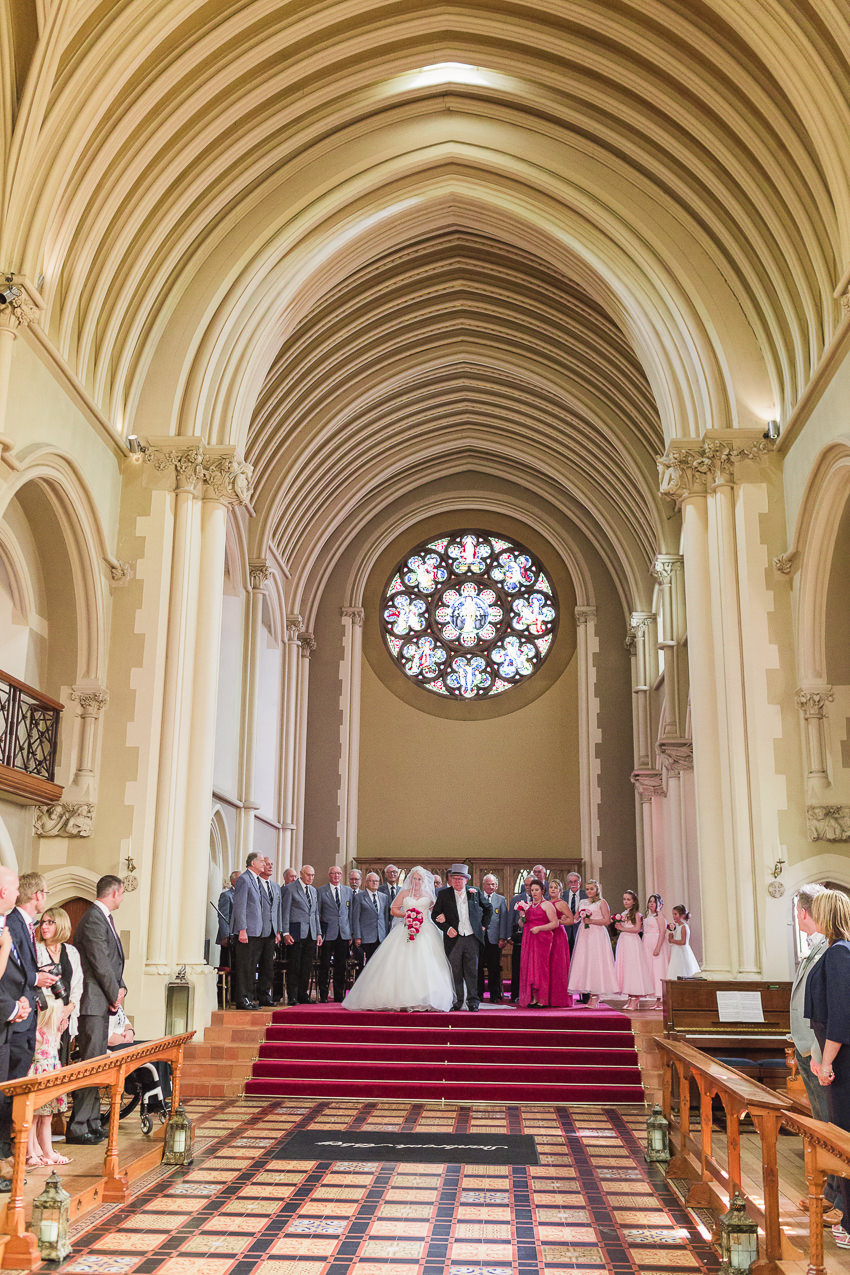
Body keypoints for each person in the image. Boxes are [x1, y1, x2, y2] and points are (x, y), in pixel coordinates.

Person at [791, 885, 842, 1223]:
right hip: (809, 1047)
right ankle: (829, 1194)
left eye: (798, 910)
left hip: (819, 1051)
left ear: (806, 912)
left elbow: (829, 1007)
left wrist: (817, 1051)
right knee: (823, 1123)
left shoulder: (832, 950)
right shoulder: (817, 947)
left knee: (830, 1124)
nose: (797, 916)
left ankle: (838, 1198)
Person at [805, 888, 850, 1249]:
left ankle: (849, 1224)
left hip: (844, 1065)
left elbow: (840, 1017)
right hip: (838, 1059)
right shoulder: (839, 951)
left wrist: (827, 1063)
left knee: (845, 1140)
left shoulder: (838, 954)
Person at [67, 875, 126, 1145]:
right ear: (114, 893)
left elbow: (113, 962)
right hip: (92, 1002)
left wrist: (121, 988)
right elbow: (99, 961)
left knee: (97, 1064)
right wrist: (114, 992)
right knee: (90, 1065)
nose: (122, 899)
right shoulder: (93, 918)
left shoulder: (104, 918)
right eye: (122, 894)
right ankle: (78, 1125)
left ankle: (91, 1121)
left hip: (102, 1000)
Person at [344, 867, 455, 1011]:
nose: (416, 881)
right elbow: (393, 909)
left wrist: (442, 916)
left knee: (426, 964)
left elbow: (436, 911)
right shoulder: (403, 893)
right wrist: (406, 915)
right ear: (410, 879)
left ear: (424, 881)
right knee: (401, 963)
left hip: (426, 931)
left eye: (419, 879)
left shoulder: (429, 894)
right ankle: (400, 997)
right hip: (405, 929)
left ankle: (426, 997)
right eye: (414, 878)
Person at [0, 866, 32, 1190]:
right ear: (2, 892)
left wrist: (22, 1001)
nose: (18, 891)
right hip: (2, 1020)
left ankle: (4, 1162)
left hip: (7, 1027)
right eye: (15, 886)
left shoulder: (6, 925)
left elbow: (18, 973)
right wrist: (11, 1008)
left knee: (4, 1099)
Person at [433, 864, 492, 1011]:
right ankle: (458, 1001)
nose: (457, 881)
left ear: (466, 880)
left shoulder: (475, 892)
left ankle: (473, 1001)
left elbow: (488, 908)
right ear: (451, 880)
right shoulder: (443, 894)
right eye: (454, 878)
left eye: (460, 879)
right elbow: (435, 915)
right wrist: (447, 928)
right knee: (456, 971)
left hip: (472, 938)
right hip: (454, 939)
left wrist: (483, 927)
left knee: (472, 971)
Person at [37, 908, 83, 1064]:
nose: (44, 926)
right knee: (43, 1063)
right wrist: (55, 1013)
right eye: (43, 922)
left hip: (65, 1018)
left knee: (60, 1064)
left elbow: (77, 984)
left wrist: (69, 1008)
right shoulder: (37, 950)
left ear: (61, 924)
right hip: (44, 1018)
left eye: (50, 922)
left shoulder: (71, 952)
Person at [231, 852, 275, 1009]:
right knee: (245, 967)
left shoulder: (255, 879)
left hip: (257, 932)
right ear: (253, 863)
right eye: (262, 861)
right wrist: (242, 929)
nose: (264, 864)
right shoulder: (244, 879)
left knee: (251, 967)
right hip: (247, 932)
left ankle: (249, 998)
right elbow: (239, 906)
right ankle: (242, 1000)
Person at [567, 879, 618, 1007]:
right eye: (588, 889)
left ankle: (595, 996)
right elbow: (575, 919)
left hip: (597, 934)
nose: (589, 891)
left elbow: (607, 920)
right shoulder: (583, 902)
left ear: (597, 890)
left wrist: (592, 922)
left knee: (596, 962)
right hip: (584, 935)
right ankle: (590, 995)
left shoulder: (602, 902)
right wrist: (563, 919)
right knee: (585, 962)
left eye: (592, 889)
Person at [280, 864, 322, 1005]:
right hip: (295, 933)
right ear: (301, 874)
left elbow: (315, 913)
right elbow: (285, 912)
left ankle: (303, 994)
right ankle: (292, 995)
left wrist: (319, 933)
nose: (311, 878)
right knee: (295, 965)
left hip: (311, 933)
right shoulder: (290, 889)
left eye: (313, 875)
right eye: (308, 875)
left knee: (306, 966)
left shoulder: (313, 891)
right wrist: (285, 932)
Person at [518, 880, 559, 1007]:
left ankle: (543, 999)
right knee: (530, 967)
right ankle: (534, 998)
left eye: (536, 890)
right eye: (532, 890)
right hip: (529, 938)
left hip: (542, 939)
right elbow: (521, 924)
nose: (534, 892)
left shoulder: (547, 905)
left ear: (542, 891)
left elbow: (555, 923)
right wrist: (522, 916)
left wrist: (539, 928)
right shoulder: (528, 905)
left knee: (541, 968)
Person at [317, 866, 353, 1002]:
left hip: (343, 933)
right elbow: (318, 913)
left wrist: (351, 933)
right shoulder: (321, 891)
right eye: (334, 873)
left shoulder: (348, 891)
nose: (337, 876)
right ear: (329, 875)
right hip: (327, 934)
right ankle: (324, 995)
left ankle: (339, 995)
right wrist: (319, 933)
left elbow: (351, 914)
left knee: (341, 966)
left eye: (339, 873)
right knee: (325, 965)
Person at [613, 890, 654, 1010]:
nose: (625, 901)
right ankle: (630, 996)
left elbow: (636, 929)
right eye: (624, 899)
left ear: (634, 901)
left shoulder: (637, 914)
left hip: (632, 941)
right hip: (624, 941)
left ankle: (636, 997)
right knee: (625, 967)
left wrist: (623, 928)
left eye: (628, 899)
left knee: (633, 967)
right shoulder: (624, 913)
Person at [477, 874, 509, 1003]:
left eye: (493, 884)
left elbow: (503, 920)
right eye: (488, 884)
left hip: (495, 940)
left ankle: (494, 995)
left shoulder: (501, 900)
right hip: (479, 939)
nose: (490, 886)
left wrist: (503, 938)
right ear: (483, 885)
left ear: (496, 885)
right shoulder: (476, 898)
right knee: (478, 967)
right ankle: (478, 994)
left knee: (494, 968)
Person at [508, 876, 536, 1003]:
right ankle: (515, 994)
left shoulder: (541, 900)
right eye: (526, 885)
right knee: (517, 967)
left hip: (536, 937)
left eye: (531, 885)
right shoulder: (516, 899)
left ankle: (533, 994)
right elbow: (510, 919)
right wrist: (509, 935)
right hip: (520, 938)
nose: (528, 887)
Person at [258, 856, 282, 1003]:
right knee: (254, 963)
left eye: (272, 864)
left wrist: (278, 930)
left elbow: (278, 910)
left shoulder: (275, 886)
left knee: (268, 966)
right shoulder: (255, 884)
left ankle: (265, 995)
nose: (270, 866)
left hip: (272, 932)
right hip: (257, 931)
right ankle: (251, 995)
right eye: (267, 864)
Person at [351, 873, 389, 962]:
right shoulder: (359, 897)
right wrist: (357, 936)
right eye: (372, 881)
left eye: (376, 881)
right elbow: (355, 918)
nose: (374, 883)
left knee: (380, 962)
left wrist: (386, 934)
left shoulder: (384, 897)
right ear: (366, 883)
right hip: (366, 937)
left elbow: (385, 917)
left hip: (381, 936)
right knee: (368, 963)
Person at [546, 879, 572, 1007]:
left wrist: (558, 921)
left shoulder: (561, 903)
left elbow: (571, 920)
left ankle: (560, 999)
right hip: (547, 936)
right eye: (551, 887)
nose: (553, 889)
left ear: (560, 891)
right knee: (548, 966)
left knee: (558, 966)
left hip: (558, 936)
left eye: (555, 887)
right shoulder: (545, 903)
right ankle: (548, 998)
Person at [644, 894, 669, 1006]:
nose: (651, 903)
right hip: (647, 944)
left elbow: (662, 932)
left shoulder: (660, 917)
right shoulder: (648, 917)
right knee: (651, 971)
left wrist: (658, 947)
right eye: (650, 901)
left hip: (656, 944)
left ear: (660, 904)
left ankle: (661, 999)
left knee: (658, 970)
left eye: (654, 901)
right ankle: (656, 998)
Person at [666, 905, 701, 978]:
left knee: (683, 969)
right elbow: (672, 940)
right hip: (676, 951)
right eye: (673, 914)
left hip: (682, 952)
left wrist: (672, 940)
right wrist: (671, 935)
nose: (673, 916)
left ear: (682, 915)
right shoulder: (677, 926)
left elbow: (683, 942)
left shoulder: (684, 927)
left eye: (675, 914)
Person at [216, 870, 241, 968]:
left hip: (240, 936)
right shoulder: (226, 895)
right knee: (227, 963)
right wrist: (225, 936)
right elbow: (223, 916)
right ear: (233, 881)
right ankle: (224, 983)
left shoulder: (245, 895)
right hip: (229, 936)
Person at [564, 873, 588, 955]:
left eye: (575, 881)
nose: (573, 884)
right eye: (570, 882)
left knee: (580, 954)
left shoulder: (586, 895)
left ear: (580, 883)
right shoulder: (562, 895)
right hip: (566, 929)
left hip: (581, 929)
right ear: (567, 884)